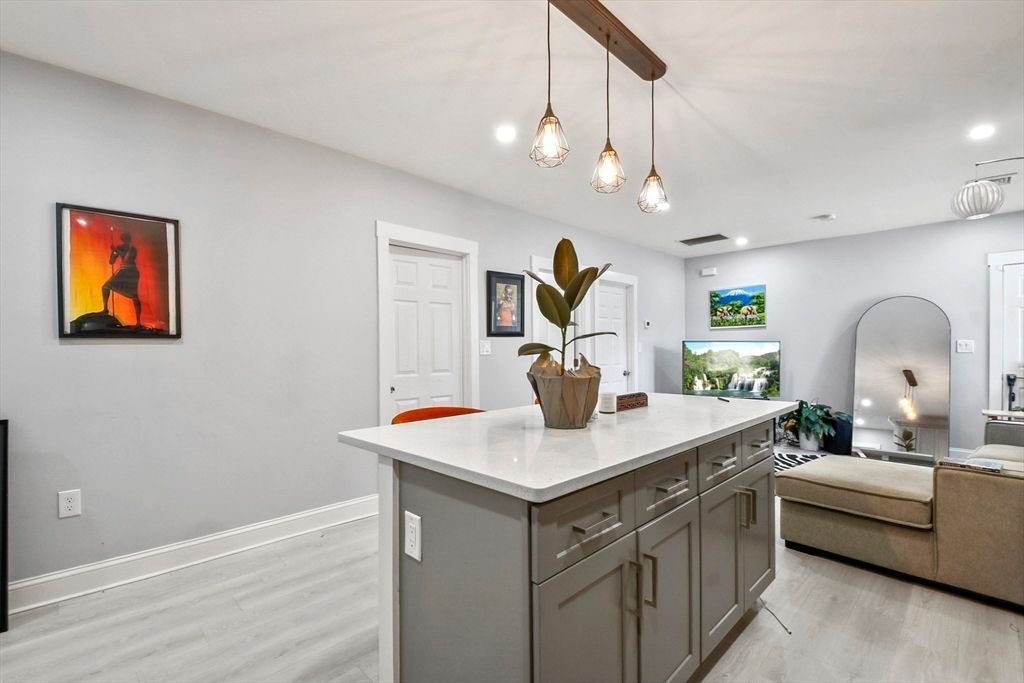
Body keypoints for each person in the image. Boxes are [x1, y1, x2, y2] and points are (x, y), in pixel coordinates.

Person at [102, 231, 142, 327]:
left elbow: (127, 258)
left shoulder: (132, 249)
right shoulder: (119, 247)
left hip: (131, 271)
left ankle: (138, 322)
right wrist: (113, 252)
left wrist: (116, 250)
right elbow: (111, 261)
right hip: (123, 270)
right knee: (105, 287)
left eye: (126, 238)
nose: (125, 240)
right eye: (124, 238)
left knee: (134, 296)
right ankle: (105, 309)